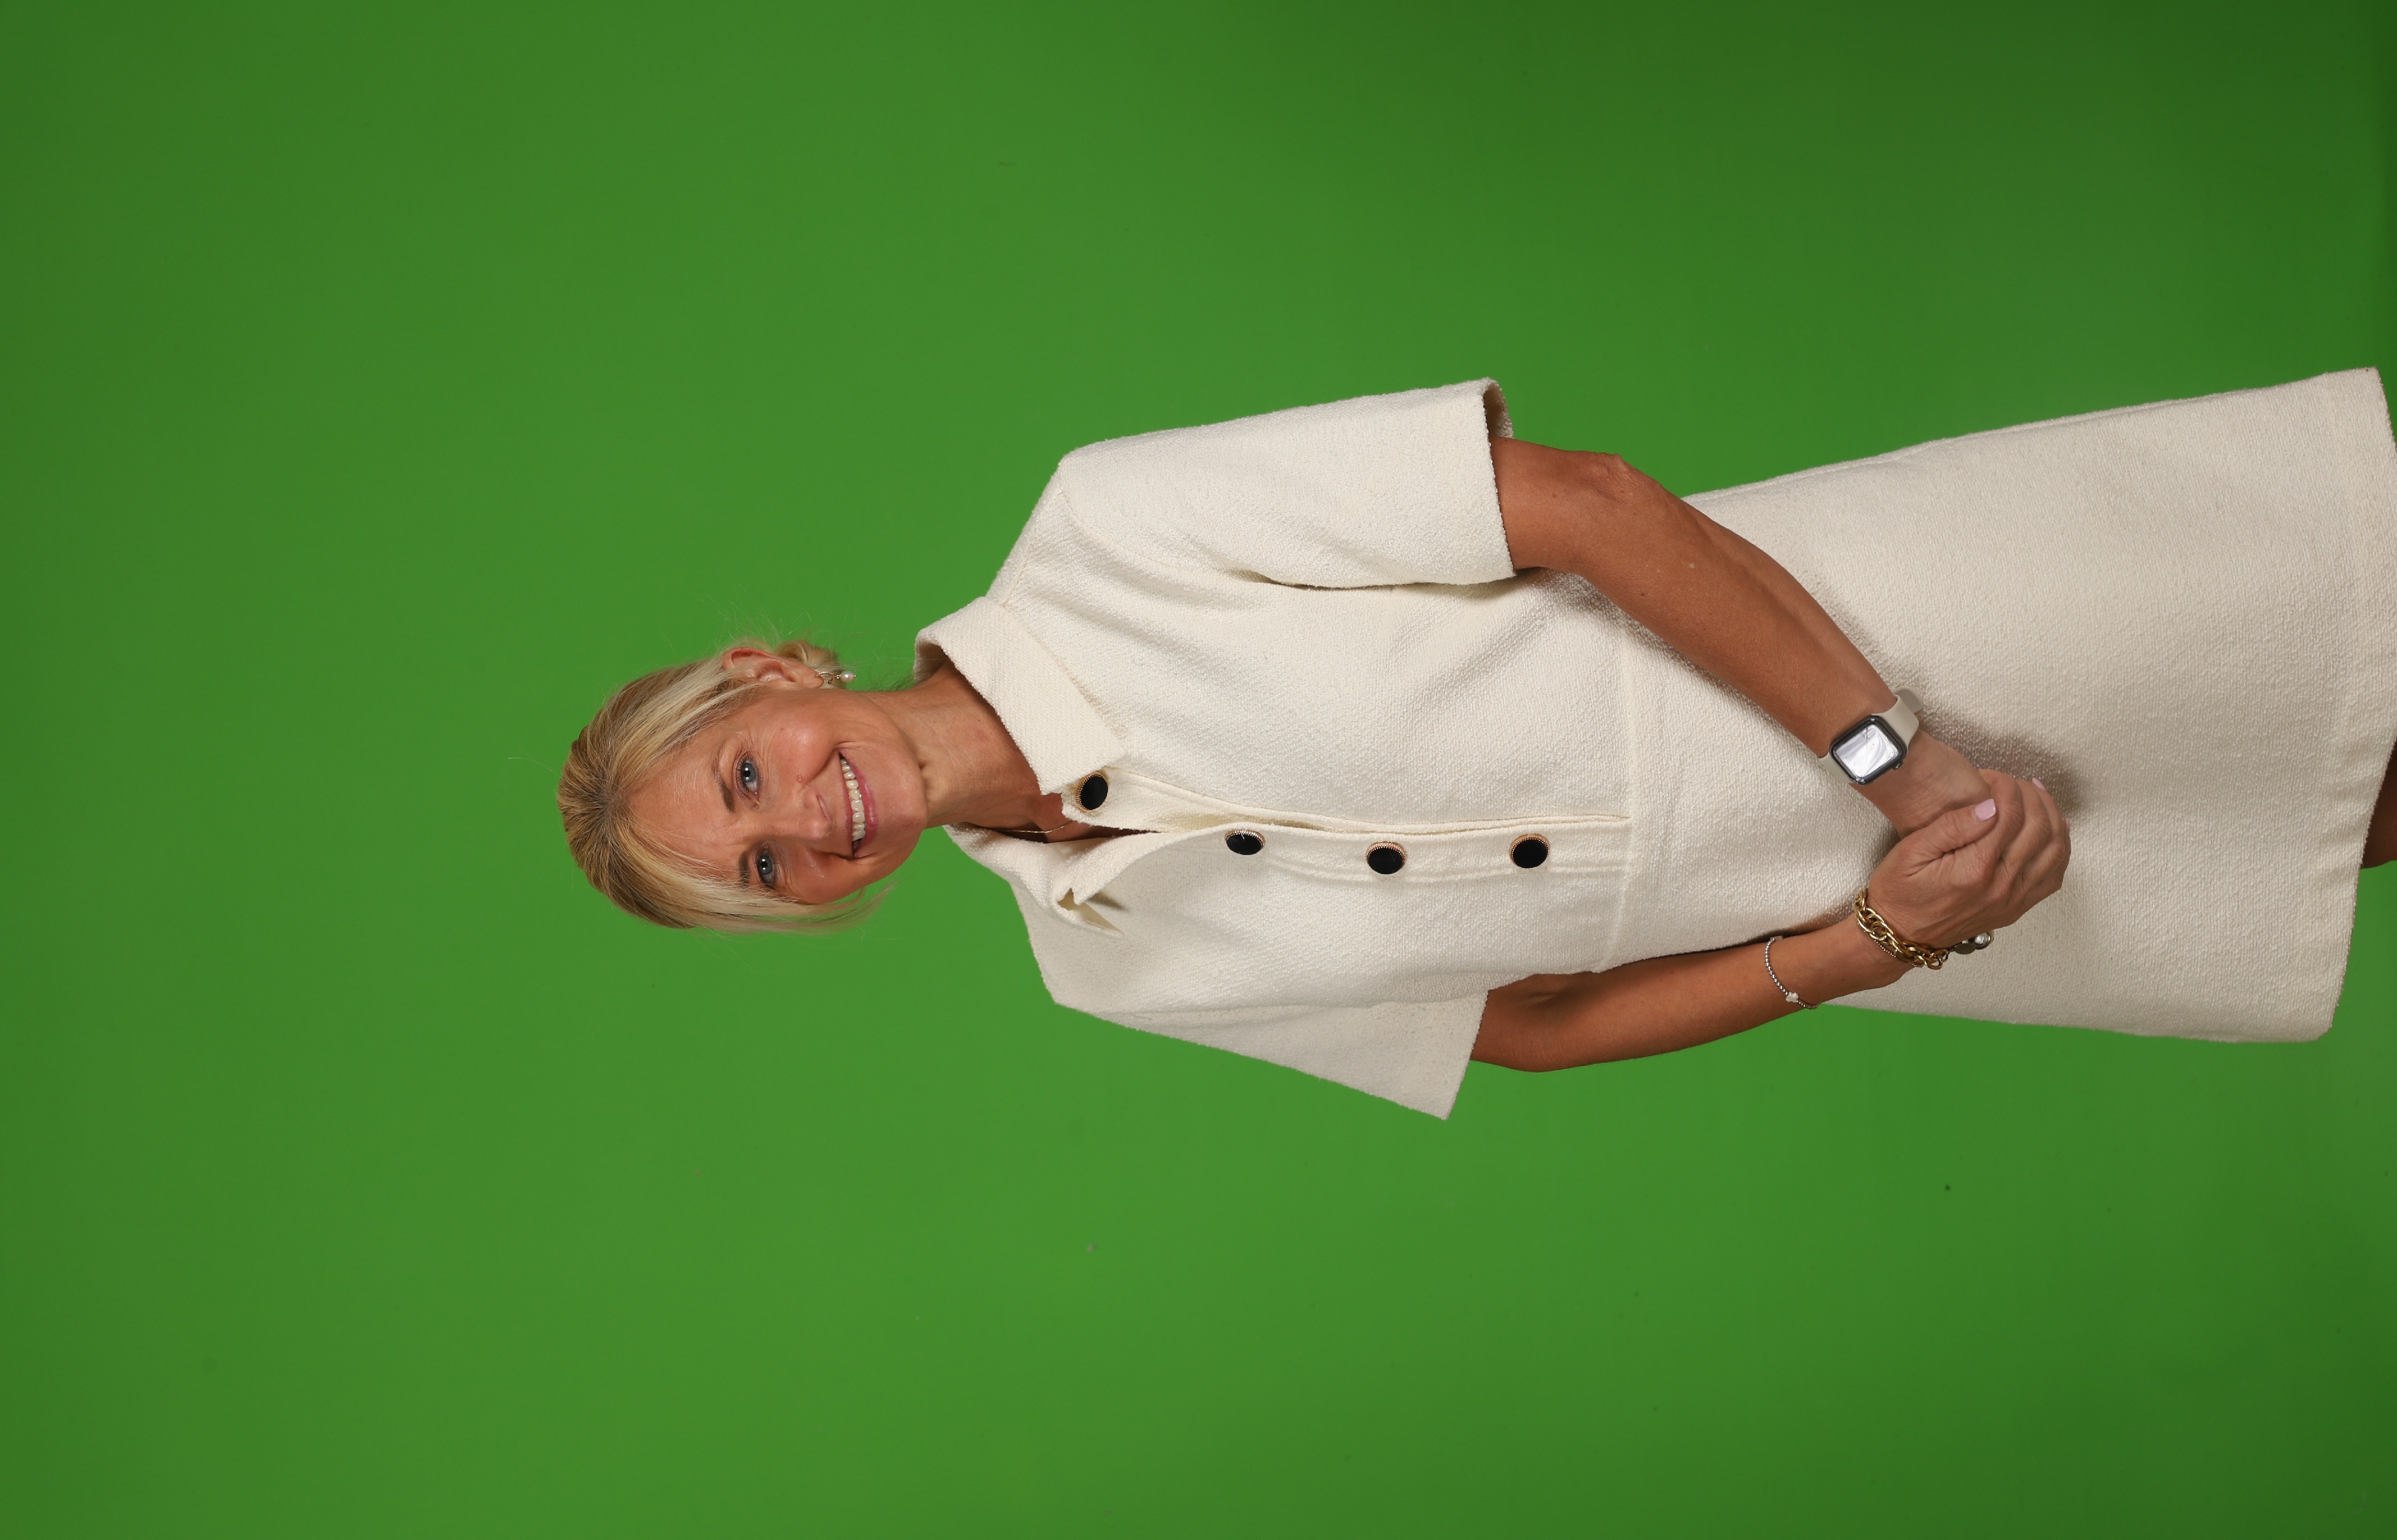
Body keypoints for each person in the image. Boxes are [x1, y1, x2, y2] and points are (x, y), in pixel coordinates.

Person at [559, 373, 2397, 1116]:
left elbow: (1584, 507)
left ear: (767, 674)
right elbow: (1528, 1028)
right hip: (1927, 883)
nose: (806, 824)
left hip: (1923, 634)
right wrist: (1882, 936)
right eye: (765, 873)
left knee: (2323, 616)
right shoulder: (1104, 968)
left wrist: (1892, 761)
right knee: (2350, 831)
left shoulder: (1107, 531)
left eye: (747, 777)